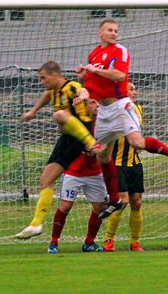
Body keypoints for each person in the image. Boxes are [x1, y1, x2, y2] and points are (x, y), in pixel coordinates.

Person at [74, 18, 168, 219]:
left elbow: (119, 76)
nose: (114, 33)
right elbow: (90, 85)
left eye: (116, 30)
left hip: (120, 105)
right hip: (104, 110)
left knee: (136, 142)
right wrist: (81, 94)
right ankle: (115, 199)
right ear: (100, 33)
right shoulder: (94, 54)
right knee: (101, 156)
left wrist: (95, 70)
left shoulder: (120, 50)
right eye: (109, 30)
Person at [14, 61, 103, 240]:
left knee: (59, 114)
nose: (41, 82)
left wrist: (84, 97)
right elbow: (47, 95)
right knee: (45, 179)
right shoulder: (53, 91)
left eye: (43, 78)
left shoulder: (70, 86)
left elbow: (82, 90)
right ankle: (36, 224)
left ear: (55, 75)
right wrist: (33, 112)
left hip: (81, 134)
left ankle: (91, 142)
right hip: (67, 139)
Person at [47, 100, 106, 254]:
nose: (97, 106)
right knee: (65, 206)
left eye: (98, 103)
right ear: (85, 106)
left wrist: (101, 150)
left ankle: (89, 243)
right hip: (74, 171)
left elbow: (109, 144)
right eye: (93, 103)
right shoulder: (77, 123)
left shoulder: (103, 124)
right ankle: (53, 242)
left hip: (94, 172)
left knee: (100, 208)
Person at [104, 82, 146, 252]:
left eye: (135, 88)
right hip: (117, 164)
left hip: (135, 164)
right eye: (131, 89)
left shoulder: (138, 110)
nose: (135, 92)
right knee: (122, 201)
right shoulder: (114, 110)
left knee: (136, 202)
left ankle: (135, 242)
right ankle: (108, 240)